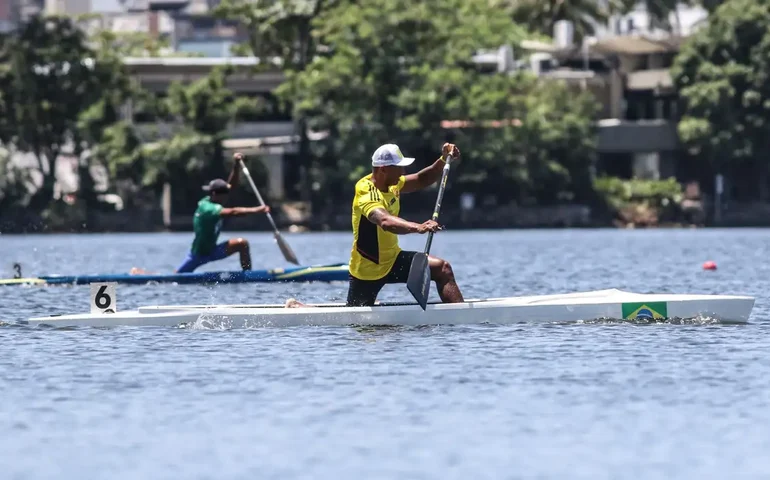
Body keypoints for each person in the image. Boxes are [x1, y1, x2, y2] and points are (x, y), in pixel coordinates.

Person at [284, 142, 464, 308]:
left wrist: (443, 159)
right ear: (383, 169)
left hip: (393, 259)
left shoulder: (392, 184)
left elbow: (420, 179)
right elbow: (385, 221)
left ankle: (460, 315)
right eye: (399, 167)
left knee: (442, 269)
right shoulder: (366, 192)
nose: (402, 171)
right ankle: (301, 308)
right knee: (356, 317)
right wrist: (418, 227)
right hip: (368, 269)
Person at [175, 152, 271, 273]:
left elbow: (232, 186)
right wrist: (258, 210)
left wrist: (236, 165)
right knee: (177, 276)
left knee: (242, 244)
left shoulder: (215, 199)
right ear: (215, 194)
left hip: (214, 250)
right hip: (198, 254)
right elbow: (233, 212)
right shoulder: (207, 208)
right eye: (225, 194)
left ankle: (247, 275)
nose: (227, 197)